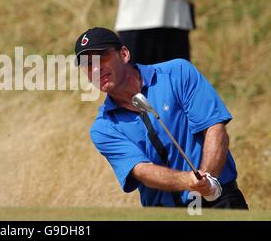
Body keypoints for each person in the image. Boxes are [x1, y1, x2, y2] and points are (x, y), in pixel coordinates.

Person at [74, 27, 248, 208]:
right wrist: (189, 181)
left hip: (220, 201)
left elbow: (214, 127)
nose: (95, 68)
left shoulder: (178, 73)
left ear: (124, 54)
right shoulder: (103, 128)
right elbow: (142, 170)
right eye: (87, 64)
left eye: (102, 57)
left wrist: (208, 179)